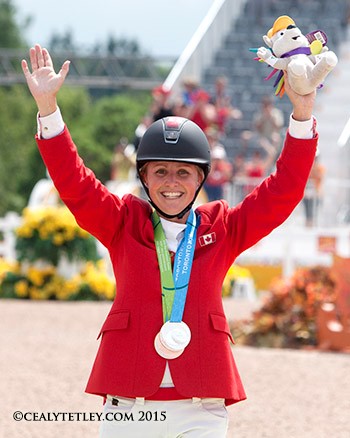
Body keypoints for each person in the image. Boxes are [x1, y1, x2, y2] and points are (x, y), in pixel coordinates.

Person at [22, 44, 318, 438]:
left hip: (202, 406)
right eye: (160, 172)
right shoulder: (122, 222)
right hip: (128, 404)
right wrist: (48, 110)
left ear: (201, 180)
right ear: (144, 178)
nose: (171, 183)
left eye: (183, 173)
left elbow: (283, 192)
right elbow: (75, 184)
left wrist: (302, 114)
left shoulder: (223, 227)